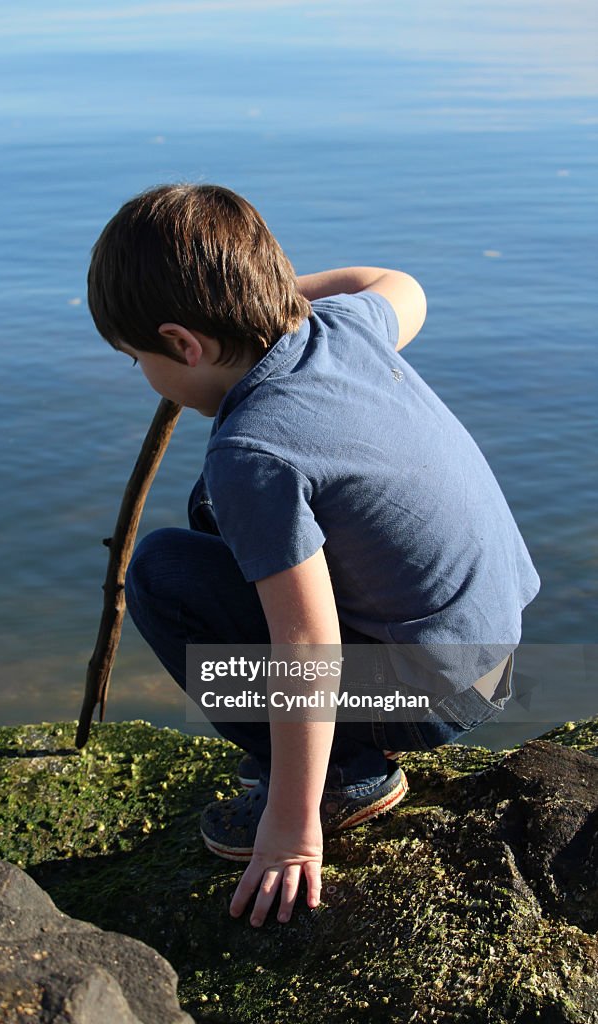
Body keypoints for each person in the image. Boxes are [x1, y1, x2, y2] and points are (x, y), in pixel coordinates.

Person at [87, 183, 540, 929]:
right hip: (496, 666)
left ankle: (344, 777)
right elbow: (397, 284)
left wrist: (292, 826)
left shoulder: (253, 452)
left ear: (183, 344)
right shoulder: (344, 325)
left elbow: (308, 648)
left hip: (427, 699)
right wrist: (260, 295)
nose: (144, 375)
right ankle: (344, 751)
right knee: (217, 516)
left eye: (136, 357)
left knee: (162, 571)